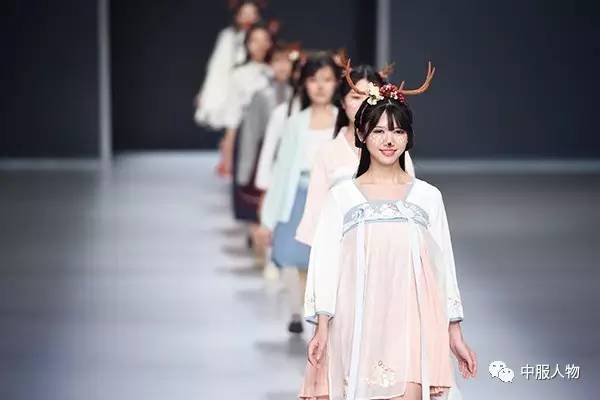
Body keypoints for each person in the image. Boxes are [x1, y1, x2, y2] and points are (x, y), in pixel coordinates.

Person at [299, 61, 477, 400]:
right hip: (356, 320)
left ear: (408, 137)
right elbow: (325, 264)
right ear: (362, 135)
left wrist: (454, 332)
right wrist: (321, 326)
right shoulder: (342, 198)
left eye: (397, 131)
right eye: (379, 131)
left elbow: (444, 267)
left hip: (413, 320)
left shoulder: (427, 197)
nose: (389, 140)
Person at [260, 51, 341, 334]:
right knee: (290, 256)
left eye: (327, 79)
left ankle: (321, 317)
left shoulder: (344, 121)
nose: (320, 86)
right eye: (314, 80)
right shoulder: (295, 122)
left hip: (332, 199)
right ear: (304, 84)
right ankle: (297, 312)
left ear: (336, 83)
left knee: (327, 260)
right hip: (297, 195)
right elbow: (283, 169)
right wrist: (268, 217)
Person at [295, 61, 415, 246]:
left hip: (390, 243)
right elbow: (315, 211)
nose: (364, 104)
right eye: (356, 97)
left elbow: (412, 200)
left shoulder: (393, 149)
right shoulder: (327, 153)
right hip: (339, 245)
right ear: (343, 102)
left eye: (371, 97)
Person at [232, 42, 295, 260]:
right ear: (269, 64)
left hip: (289, 156)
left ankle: (276, 252)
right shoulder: (261, 95)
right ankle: (263, 253)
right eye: (277, 61)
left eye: (286, 61)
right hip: (264, 156)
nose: (282, 66)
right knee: (260, 204)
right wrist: (245, 169)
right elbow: (250, 133)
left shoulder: (298, 93)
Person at [194, 0, 263, 129]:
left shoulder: (262, 37)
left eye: (252, 13)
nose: (248, 18)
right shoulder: (228, 36)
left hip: (252, 94)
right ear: (237, 16)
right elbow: (217, 67)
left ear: (257, 16)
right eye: (244, 13)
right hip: (227, 92)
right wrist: (205, 93)